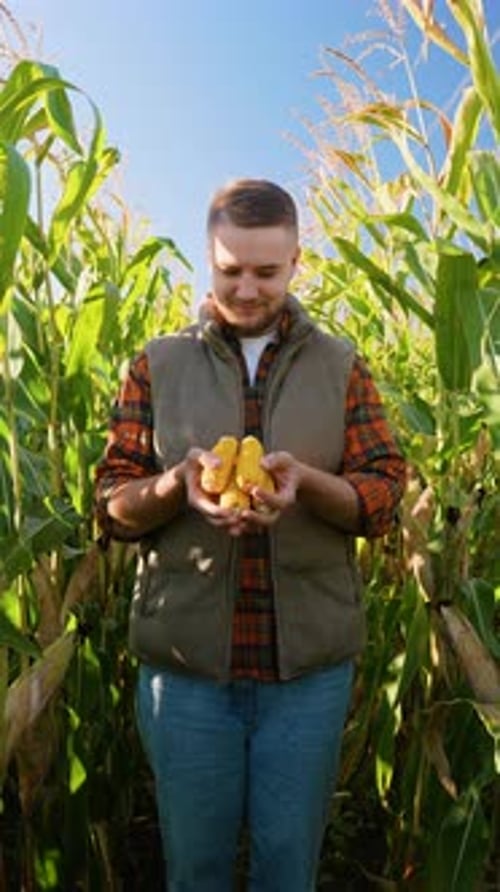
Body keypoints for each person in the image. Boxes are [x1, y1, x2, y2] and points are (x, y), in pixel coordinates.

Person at [94, 178, 406, 892]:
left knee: (286, 870)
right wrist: (178, 486)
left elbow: (384, 492)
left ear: (298, 261)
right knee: (195, 870)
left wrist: (309, 488)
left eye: (266, 271)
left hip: (307, 678)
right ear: (209, 258)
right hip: (187, 674)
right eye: (229, 269)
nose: (246, 289)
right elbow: (111, 504)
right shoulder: (157, 363)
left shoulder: (342, 366)